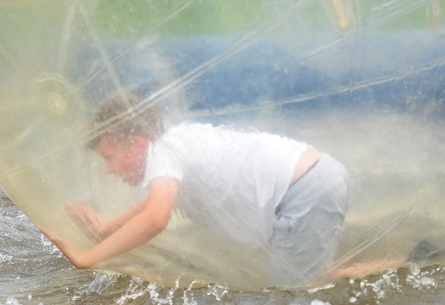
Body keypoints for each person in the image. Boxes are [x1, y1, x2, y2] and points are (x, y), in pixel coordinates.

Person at [40, 94, 352, 287]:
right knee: (312, 281)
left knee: (291, 297)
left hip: (303, 190)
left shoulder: (166, 149)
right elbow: (155, 205)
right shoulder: (178, 146)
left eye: (109, 156)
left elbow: (155, 219)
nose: (108, 168)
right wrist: (110, 226)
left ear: (136, 143)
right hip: (313, 180)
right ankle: (395, 267)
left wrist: (86, 257)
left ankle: (395, 274)